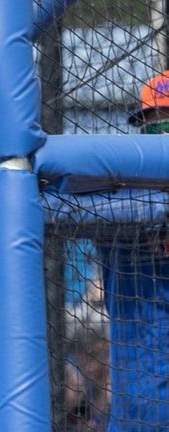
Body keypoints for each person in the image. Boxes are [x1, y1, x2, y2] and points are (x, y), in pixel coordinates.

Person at [95, 68, 169, 431]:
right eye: (151, 123)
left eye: (167, 120)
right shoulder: (117, 191)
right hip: (133, 402)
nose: (159, 130)